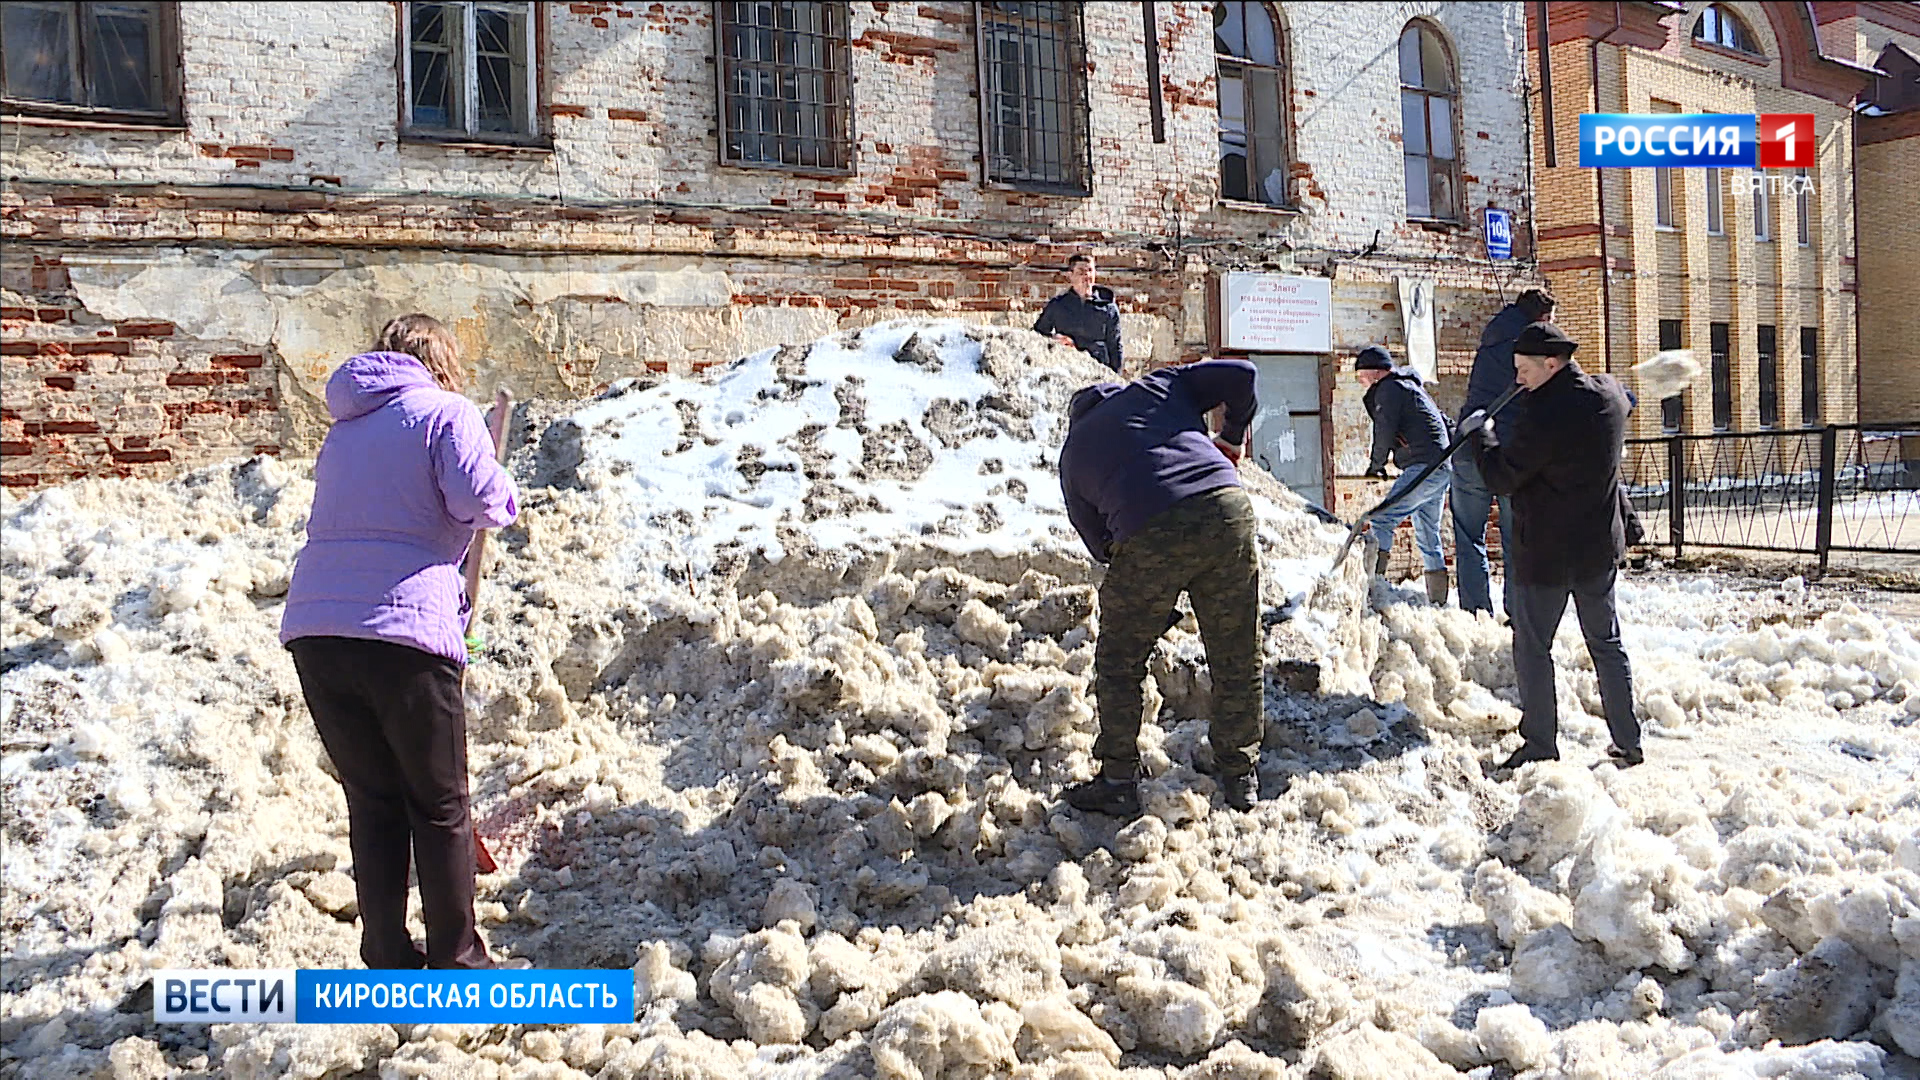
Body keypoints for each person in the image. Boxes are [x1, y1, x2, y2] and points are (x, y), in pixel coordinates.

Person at [279, 314, 521, 969]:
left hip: (317, 630)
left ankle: (385, 949)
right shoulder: (448, 413)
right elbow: (477, 500)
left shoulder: (344, 430)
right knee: (440, 804)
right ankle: (458, 960)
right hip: (404, 631)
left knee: (374, 798)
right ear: (441, 362)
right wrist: (506, 495)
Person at [1058, 358, 1262, 814]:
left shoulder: (1073, 455)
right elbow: (1243, 375)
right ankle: (1240, 774)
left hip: (1146, 529)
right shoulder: (1157, 389)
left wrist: (1149, 595)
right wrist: (1230, 436)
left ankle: (1117, 780)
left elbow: (1101, 546)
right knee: (1237, 649)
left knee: (1119, 660)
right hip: (1226, 509)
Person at [1468, 322, 1644, 772]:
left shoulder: (1542, 415)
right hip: (1598, 550)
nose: (1518, 379)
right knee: (1606, 643)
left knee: (1532, 647)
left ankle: (1541, 743)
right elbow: (1627, 397)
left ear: (1552, 364)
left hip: (1546, 554)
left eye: (1524, 370)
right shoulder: (1607, 396)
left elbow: (1504, 477)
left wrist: (1481, 436)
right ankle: (1628, 742)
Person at [1452, 287, 1556, 615]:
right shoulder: (1536, 350)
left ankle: (1476, 614)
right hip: (1512, 453)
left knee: (1469, 536)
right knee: (1517, 539)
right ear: (1542, 318)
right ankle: (1519, 616)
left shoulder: (1491, 338)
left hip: (1470, 444)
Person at [1354, 344, 1453, 604]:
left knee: (1383, 519)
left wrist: (1376, 465)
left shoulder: (1389, 389)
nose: (1360, 382)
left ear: (1375, 372)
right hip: (1440, 466)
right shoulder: (1409, 387)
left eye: (1361, 375)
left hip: (1424, 465)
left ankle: (1373, 590)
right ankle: (1439, 601)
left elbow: (1384, 430)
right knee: (1427, 531)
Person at [1034, 254, 1123, 373]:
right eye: (1081, 271)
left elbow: (1115, 346)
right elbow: (1037, 335)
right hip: (1066, 369)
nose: (1087, 276)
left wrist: (1116, 377)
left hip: (1098, 370)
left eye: (1090, 270)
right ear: (1070, 275)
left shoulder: (1108, 308)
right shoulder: (1057, 305)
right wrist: (1054, 339)